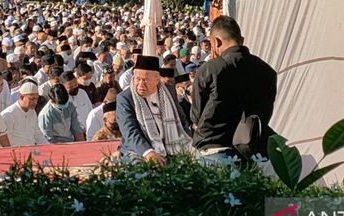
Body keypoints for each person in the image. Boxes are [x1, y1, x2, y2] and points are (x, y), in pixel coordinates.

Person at [190, 15, 277, 160]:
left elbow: (197, 116)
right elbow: (266, 111)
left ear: (216, 42)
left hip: (215, 148)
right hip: (254, 150)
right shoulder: (267, 71)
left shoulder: (211, 68)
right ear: (241, 40)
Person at [117, 55, 194, 166]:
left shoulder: (168, 91)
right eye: (137, 79)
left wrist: (186, 139)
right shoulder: (125, 98)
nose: (140, 84)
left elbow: (182, 120)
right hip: (139, 151)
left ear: (157, 80)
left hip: (171, 146)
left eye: (145, 80)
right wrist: (148, 152)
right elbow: (129, 130)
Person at [1, 82, 48, 146]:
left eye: (36, 98)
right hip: (16, 153)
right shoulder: (9, 114)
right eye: (32, 99)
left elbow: (37, 134)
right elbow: (4, 141)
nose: (35, 102)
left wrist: (49, 147)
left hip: (31, 152)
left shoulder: (32, 111)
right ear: (21, 97)